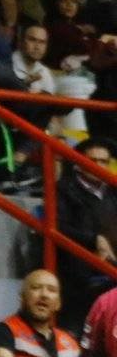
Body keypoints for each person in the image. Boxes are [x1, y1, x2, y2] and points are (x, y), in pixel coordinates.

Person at [55, 139, 117, 330]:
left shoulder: (113, 191)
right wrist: (93, 240)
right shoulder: (64, 189)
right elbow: (58, 227)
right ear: (79, 162)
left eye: (104, 161)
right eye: (94, 160)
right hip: (77, 266)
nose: (99, 166)